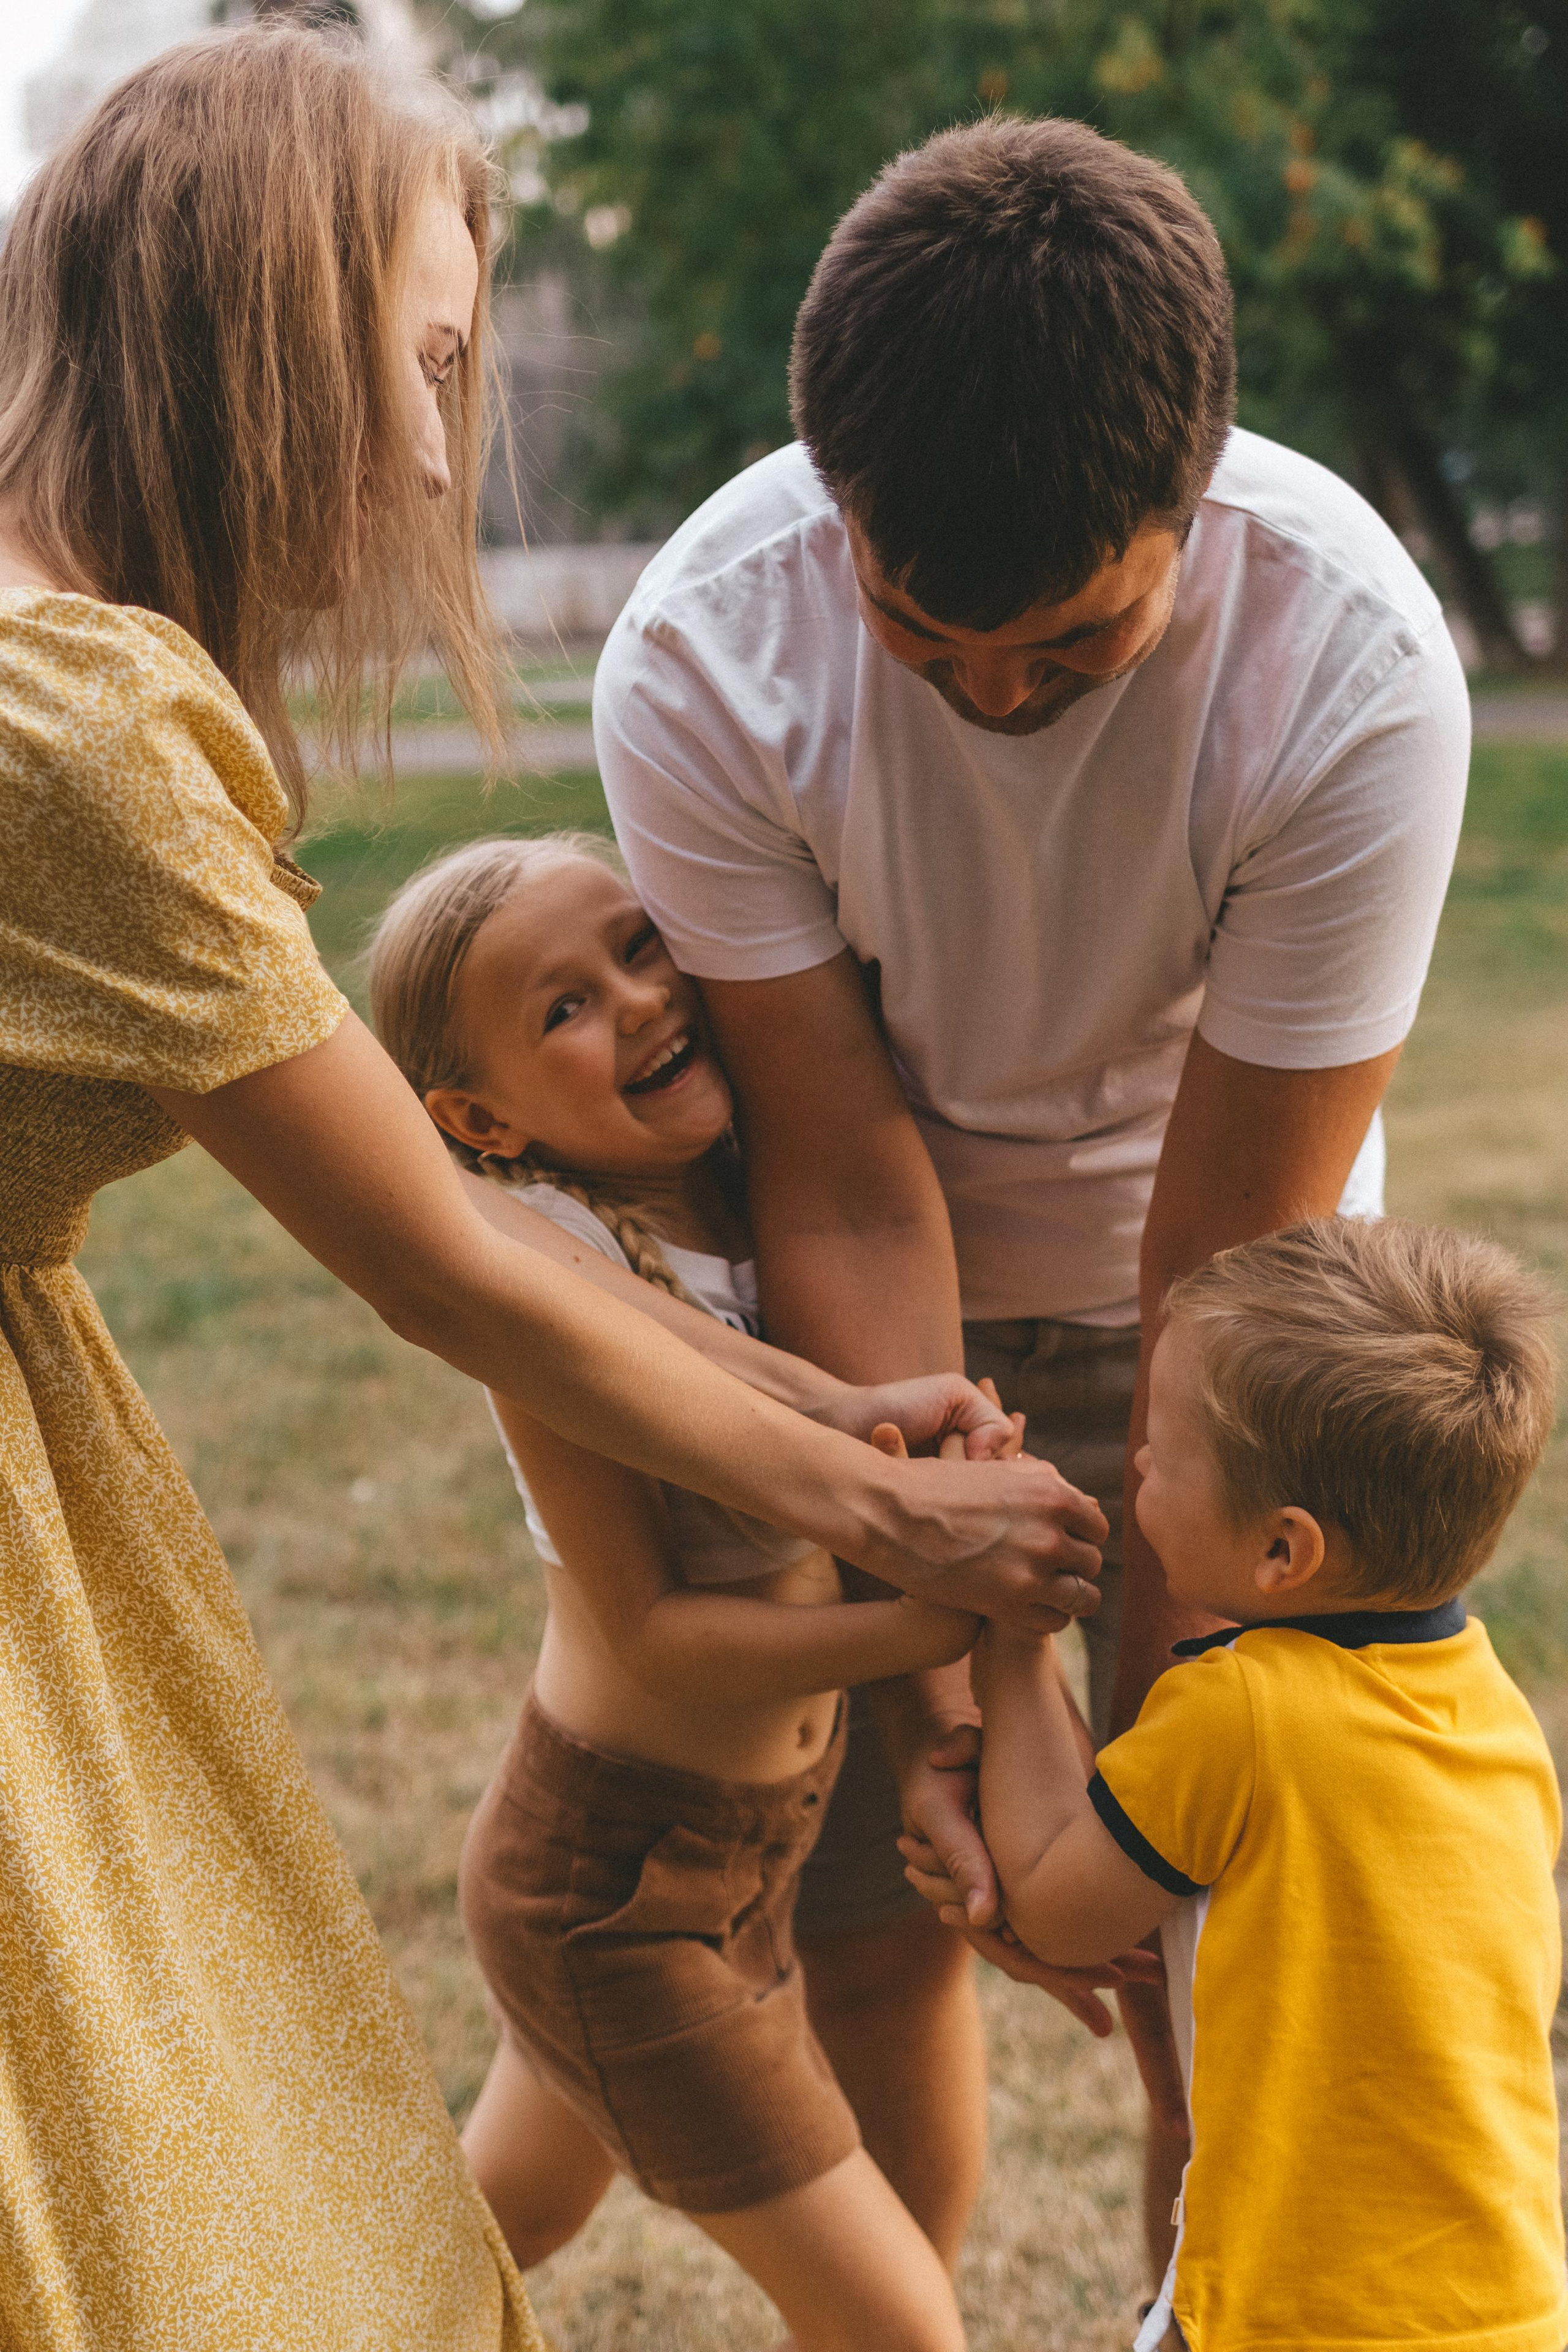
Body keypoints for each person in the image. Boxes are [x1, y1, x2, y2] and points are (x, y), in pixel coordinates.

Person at [0, 37, 1104, 2349]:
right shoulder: (69, 726)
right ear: (250, 322)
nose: (427, 451)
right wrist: (893, 1529)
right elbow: (452, 1270)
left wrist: (847, 1445)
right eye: (412, 363)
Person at [592, 113, 1471, 2269]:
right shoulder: (708, 656)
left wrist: (1131, 1764)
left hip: (1233, 1308)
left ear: (1199, 496)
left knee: (1223, 1963)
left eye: (1069, 651)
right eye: (920, 630)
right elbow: (852, 1176)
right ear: (834, 506)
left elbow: (1220, 1262)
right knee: (884, 1923)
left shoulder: (1352, 665)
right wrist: (964, 1689)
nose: (991, 697)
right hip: (864, 1308)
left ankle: (1211, 2288)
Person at [368, 831, 1051, 2351]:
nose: (639, 999)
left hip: (746, 1856)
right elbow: (656, 1638)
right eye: (563, 1009)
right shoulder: (545, 1279)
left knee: (486, 2242)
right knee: (898, 2330)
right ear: (477, 1117)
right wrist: (934, 1610)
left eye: (638, 946)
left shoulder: (756, 1203)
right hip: (611, 1892)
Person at [962, 1216, 1565, 2352]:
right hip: (1505, 2306)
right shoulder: (1496, 1712)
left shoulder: (1243, 1712)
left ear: (1283, 1555)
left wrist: (1013, 1624)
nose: (1135, 1459)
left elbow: (1053, 1895)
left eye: (1165, 1450)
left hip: (1300, 2309)